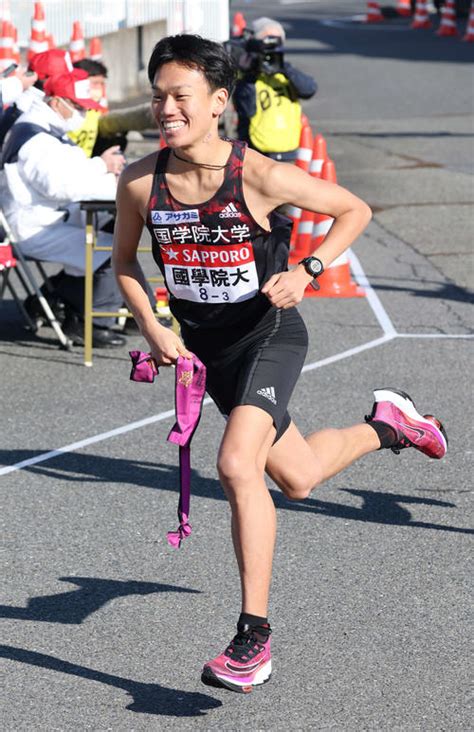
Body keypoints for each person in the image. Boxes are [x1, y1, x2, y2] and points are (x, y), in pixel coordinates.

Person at [112, 34, 448, 693]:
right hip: (210, 351)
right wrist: (152, 324)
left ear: (215, 104)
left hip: (271, 335)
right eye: (157, 97)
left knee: (237, 463)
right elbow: (124, 263)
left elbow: (353, 208)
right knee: (295, 478)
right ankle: (390, 424)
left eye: (180, 96)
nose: (165, 109)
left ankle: (253, 639)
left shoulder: (258, 175)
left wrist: (309, 269)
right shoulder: (141, 182)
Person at [0, 68, 127, 347]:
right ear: (57, 103)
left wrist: (109, 175)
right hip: (34, 228)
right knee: (111, 251)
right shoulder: (36, 138)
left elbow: (74, 175)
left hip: (48, 218)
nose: (84, 114)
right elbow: (62, 186)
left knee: (107, 233)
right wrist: (103, 168)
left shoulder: (45, 128)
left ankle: (55, 301)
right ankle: (92, 323)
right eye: (80, 108)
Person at [232, 17, 317, 161]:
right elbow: (245, 108)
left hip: (288, 152)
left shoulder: (287, 74)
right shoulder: (248, 78)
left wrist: (283, 67)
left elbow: (309, 89)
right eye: (265, 42)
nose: (270, 49)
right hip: (256, 153)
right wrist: (249, 73)